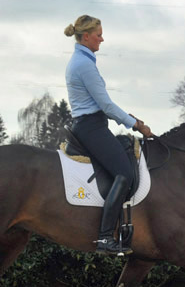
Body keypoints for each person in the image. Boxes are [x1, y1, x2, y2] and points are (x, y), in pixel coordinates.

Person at [64, 14, 152, 256]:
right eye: (98, 35)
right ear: (85, 37)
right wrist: (136, 124)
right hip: (91, 127)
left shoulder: (82, 61)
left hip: (92, 125)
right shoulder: (84, 65)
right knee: (124, 172)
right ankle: (104, 238)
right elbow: (107, 106)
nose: (102, 39)